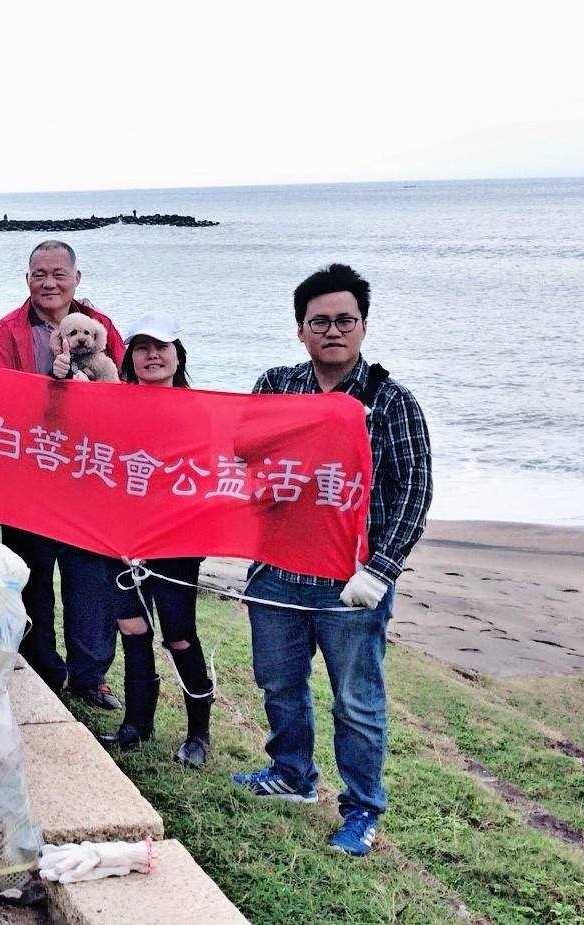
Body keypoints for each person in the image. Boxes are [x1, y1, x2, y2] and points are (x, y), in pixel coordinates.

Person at [231, 263, 432, 858]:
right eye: (319, 322)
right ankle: (291, 773)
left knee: (357, 700)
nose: (333, 331)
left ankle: (362, 808)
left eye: (346, 320)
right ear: (301, 330)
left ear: (363, 326)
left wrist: (381, 570)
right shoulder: (275, 386)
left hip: (350, 581)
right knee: (278, 682)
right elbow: (242, 454)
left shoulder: (390, 401)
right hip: (276, 571)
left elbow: (413, 489)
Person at [0, 240, 126, 710]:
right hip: (30, 472)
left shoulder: (101, 327)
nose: (49, 283)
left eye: (59, 273)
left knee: (90, 578)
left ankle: (91, 675)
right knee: (31, 575)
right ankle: (43, 669)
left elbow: (124, 392)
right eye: (39, 274)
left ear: (76, 278)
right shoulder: (7, 330)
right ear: (27, 279)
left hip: (86, 470)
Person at [95, 313, 213, 767]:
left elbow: (213, 474)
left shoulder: (200, 409)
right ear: (129, 358)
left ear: (178, 356)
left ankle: (198, 734)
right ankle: (137, 724)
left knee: (179, 636)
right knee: (132, 628)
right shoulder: (113, 405)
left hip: (177, 543)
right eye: (141, 348)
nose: (152, 356)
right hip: (119, 538)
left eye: (161, 347)